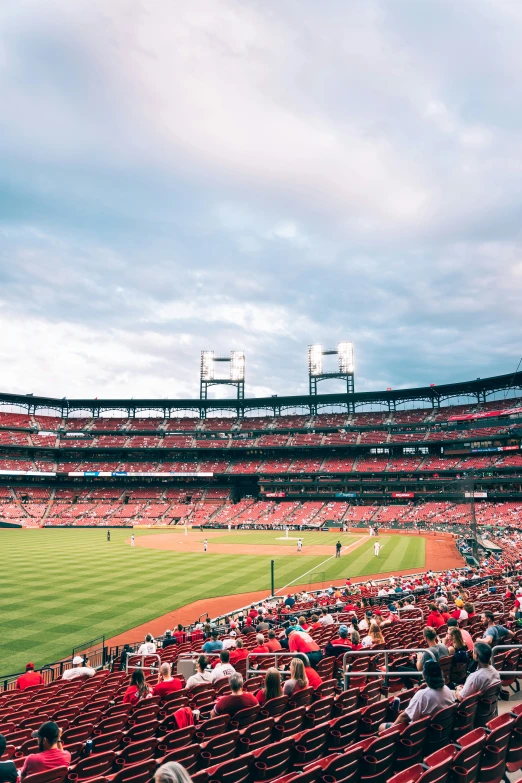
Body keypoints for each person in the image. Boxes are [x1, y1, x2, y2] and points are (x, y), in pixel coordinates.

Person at [380, 661, 455, 731]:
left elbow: (404, 717)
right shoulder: (447, 689)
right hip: (437, 731)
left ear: (425, 676)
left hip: (418, 734)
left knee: (382, 727)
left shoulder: (422, 694)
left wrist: (391, 730)